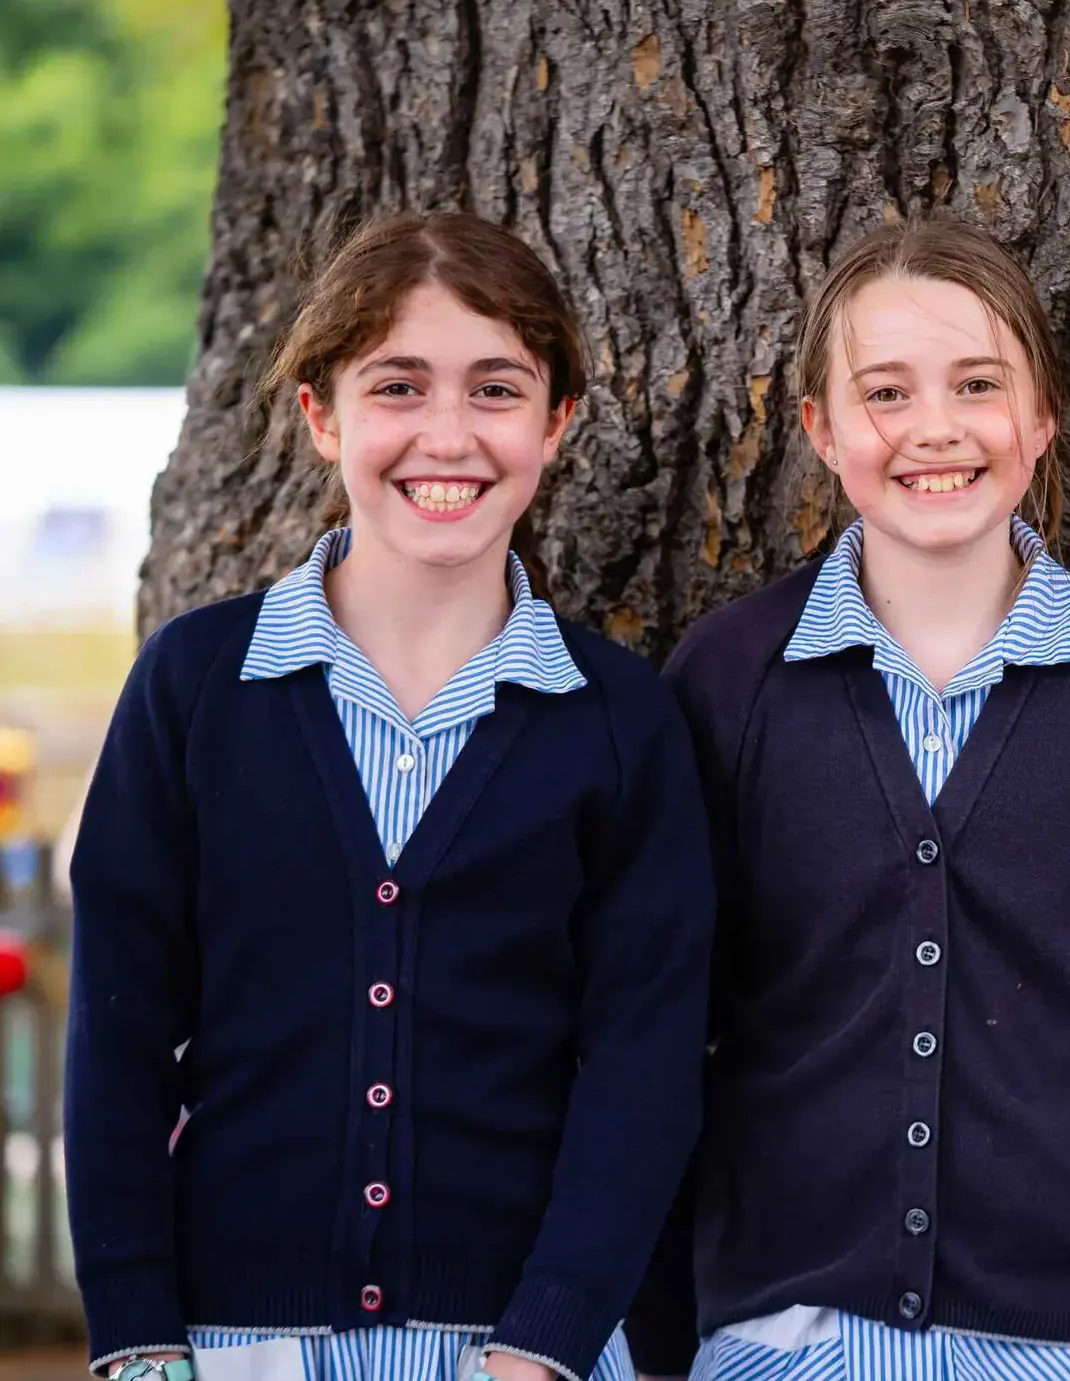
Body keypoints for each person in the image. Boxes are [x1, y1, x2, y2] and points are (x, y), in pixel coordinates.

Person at [65, 212, 715, 1381]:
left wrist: (545, 1344)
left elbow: (645, 1069)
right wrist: (136, 1338)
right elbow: (116, 1034)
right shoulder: (199, 687)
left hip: (525, 1349)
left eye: (498, 390)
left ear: (557, 420)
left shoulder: (618, 721)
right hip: (228, 1345)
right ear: (323, 414)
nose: (448, 435)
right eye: (399, 386)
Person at [631, 218, 1070, 1381]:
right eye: (884, 393)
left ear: (1042, 417)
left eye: (979, 384)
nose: (934, 429)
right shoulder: (730, 684)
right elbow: (660, 1040)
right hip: (787, 1337)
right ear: (818, 427)